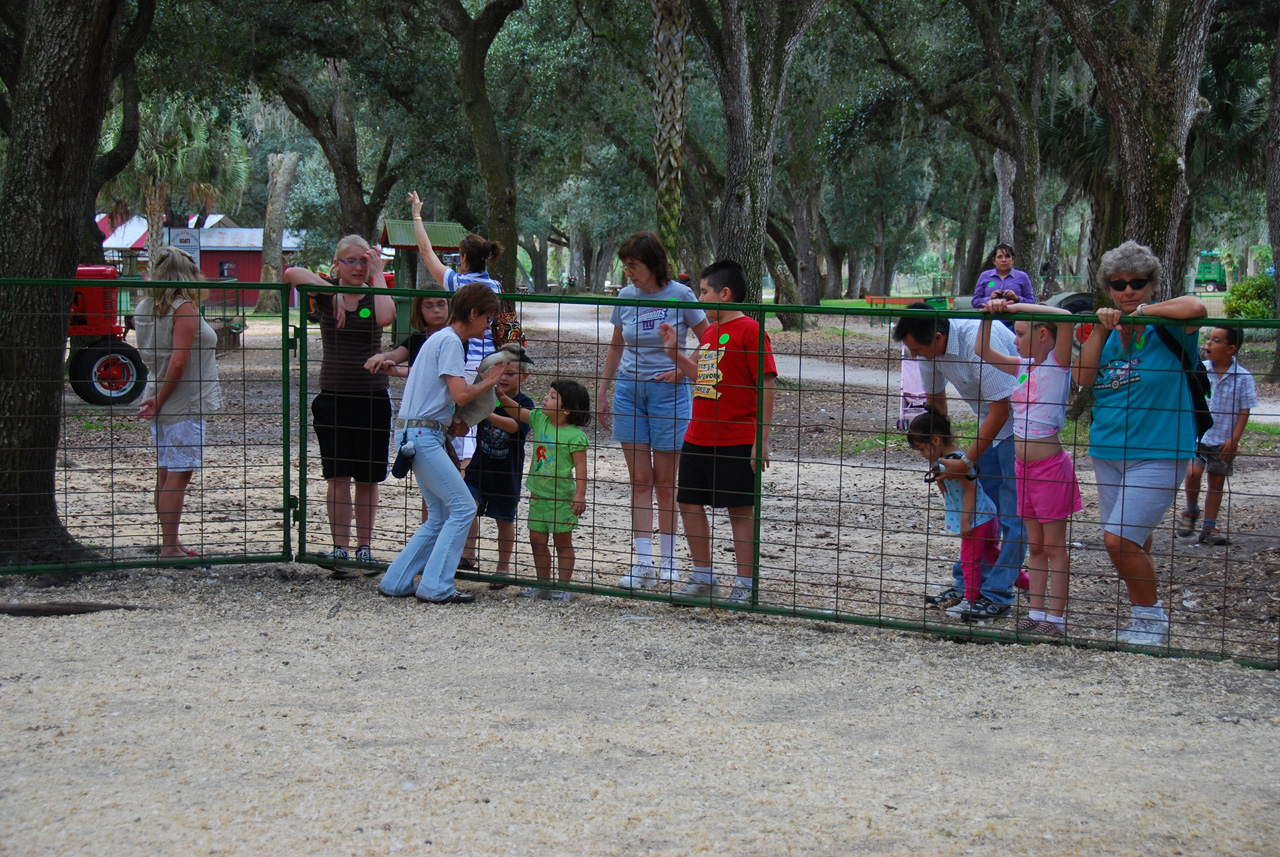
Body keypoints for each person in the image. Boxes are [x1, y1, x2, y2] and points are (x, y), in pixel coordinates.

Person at [1074, 240, 1207, 647]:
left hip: (1161, 449)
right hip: (1109, 449)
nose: (1128, 290)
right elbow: (1083, 378)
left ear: (1151, 285)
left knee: (1118, 540)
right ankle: (1140, 617)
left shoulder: (1167, 324)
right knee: (1134, 540)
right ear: (1108, 287)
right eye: (1118, 283)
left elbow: (1198, 309)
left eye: (1137, 282)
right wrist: (1101, 329)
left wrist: (1143, 314)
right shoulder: (1108, 329)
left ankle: (1152, 619)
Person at [892, 303, 1026, 622]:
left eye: (916, 349)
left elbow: (1003, 410)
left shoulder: (973, 342)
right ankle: (969, 584)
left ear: (938, 338)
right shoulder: (930, 351)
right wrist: (939, 459)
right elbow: (936, 402)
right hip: (989, 425)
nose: (913, 356)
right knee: (982, 509)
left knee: (1011, 514)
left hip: (1019, 429)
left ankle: (997, 593)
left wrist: (965, 461)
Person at [377, 282, 509, 604]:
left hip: (418, 435)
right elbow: (461, 394)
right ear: (473, 312)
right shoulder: (450, 341)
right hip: (423, 436)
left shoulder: (441, 339)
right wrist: (489, 383)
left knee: (439, 515)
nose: (487, 326)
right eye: (487, 318)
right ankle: (436, 585)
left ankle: (397, 581)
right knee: (464, 508)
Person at [654, 260, 777, 604]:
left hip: (737, 438)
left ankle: (745, 583)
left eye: (705, 291)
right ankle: (704, 577)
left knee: (739, 510)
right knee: (688, 502)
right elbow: (705, 377)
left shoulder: (752, 331)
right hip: (698, 435)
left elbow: (766, 384)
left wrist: (761, 439)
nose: (701, 297)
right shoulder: (709, 332)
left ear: (725, 293)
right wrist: (675, 355)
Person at [596, 231, 709, 589]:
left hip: (669, 395)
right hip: (630, 392)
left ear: (653, 263)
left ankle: (668, 560)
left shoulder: (681, 294)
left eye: (634, 265)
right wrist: (603, 390)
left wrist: (683, 367)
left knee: (665, 482)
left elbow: (711, 338)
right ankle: (643, 562)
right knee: (639, 481)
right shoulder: (626, 296)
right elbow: (616, 346)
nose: (628, 272)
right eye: (625, 266)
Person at [284, 236, 395, 572]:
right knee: (338, 477)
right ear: (337, 264)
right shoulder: (324, 290)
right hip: (333, 398)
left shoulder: (374, 290)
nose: (358, 267)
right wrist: (332, 294)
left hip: (373, 397)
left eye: (363, 261)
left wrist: (378, 273)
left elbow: (386, 317)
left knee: (367, 479)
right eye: (351, 261)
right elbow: (291, 272)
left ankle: (364, 547)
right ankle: (340, 549)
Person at [975, 298, 1082, 636]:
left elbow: (1066, 316)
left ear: (1042, 335)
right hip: (1024, 467)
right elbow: (983, 350)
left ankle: (1056, 618)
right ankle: (1037, 613)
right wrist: (990, 317)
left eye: (1020, 333)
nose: (1016, 340)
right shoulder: (1021, 365)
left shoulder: (1058, 363)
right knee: (1035, 547)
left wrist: (1017, 307)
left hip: (1050, 468)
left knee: (1054, 547)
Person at [135, 246, 221, 563]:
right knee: (179, 474)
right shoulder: (183, 308)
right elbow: (178, 361)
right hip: (181, 400)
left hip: (159, 396)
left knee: (166, 472)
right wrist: (162, 398)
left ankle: (170, 541)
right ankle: (169, 547)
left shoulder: (144, 307)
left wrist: (156, 398)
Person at [407, 191, 503, 468]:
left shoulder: (457, 283)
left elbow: (426, 252)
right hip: (490, 361)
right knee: (472, 429)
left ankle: (458, 481)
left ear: (462, 258)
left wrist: (417, 215)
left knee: (458, 432)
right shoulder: (496, 287)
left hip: (467, 363)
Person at [497, 380, 591, 603]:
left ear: (566, 409)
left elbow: (581, 467)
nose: (545, 399)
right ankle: (543, 585)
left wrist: (580, 494)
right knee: (536, 540)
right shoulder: (539, 419)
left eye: (552, 396)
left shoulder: (575, 437)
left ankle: (564, 587)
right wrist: (501, 395)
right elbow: (516, 410)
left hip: (563, 499)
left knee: (562, 542)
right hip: (538, 496)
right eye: (548, 394)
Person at [907, 408, 1000, 621]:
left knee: (969, 562)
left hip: (976, 520)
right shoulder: (948, 460)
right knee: (994, 557)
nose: (922, 455)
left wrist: (966, 521)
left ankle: (970, 601)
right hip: (987, 515)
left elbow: (969, 490)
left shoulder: (956, 463)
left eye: (922, 449)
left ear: (936, 440)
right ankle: (1025, 583)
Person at [1178, 325, 1255, 546]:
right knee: (1192, 473)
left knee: (1217, 481)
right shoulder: (1199, 369)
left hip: (1223, 440)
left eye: (1216, 340)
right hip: (1198, 437)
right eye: (1209, 338)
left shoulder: (1243, 377)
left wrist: (1235, 439)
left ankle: (1209, 527)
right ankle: (1191, 510)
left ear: (1231, 349)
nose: (1208, 344)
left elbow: (1244, 410)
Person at [463, 360, 536, 587]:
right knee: (468, 507)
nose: (503, 378)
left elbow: (514, 427)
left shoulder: (525, 403)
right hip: (479, 467)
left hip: (506, 474)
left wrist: (487, 413)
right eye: (499, 373)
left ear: (524, 377)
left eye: (511, 374)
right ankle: (468, 555)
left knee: (504, 520)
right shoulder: (485, 396)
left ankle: (503, 567)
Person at [364, 294, 450, 378]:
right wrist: (381, 357)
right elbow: (395, 355)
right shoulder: (416, 339)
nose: (436, 310)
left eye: (441, 304)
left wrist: (399, 372)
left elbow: (435, 370)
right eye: (428, 306)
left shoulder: (456, 338)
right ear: (419, 310)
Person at [971, 243, 1036, 308]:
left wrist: (1016, 298)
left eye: (1007, 256)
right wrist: (990, 298)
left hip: (1015, 317)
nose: (1004, 260)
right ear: (994, 261)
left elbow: (1032, 302)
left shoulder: (1022, 276)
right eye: (999, 257)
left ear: (1012, 259)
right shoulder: (984, 276)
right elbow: (975, 302)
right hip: (990, 316)